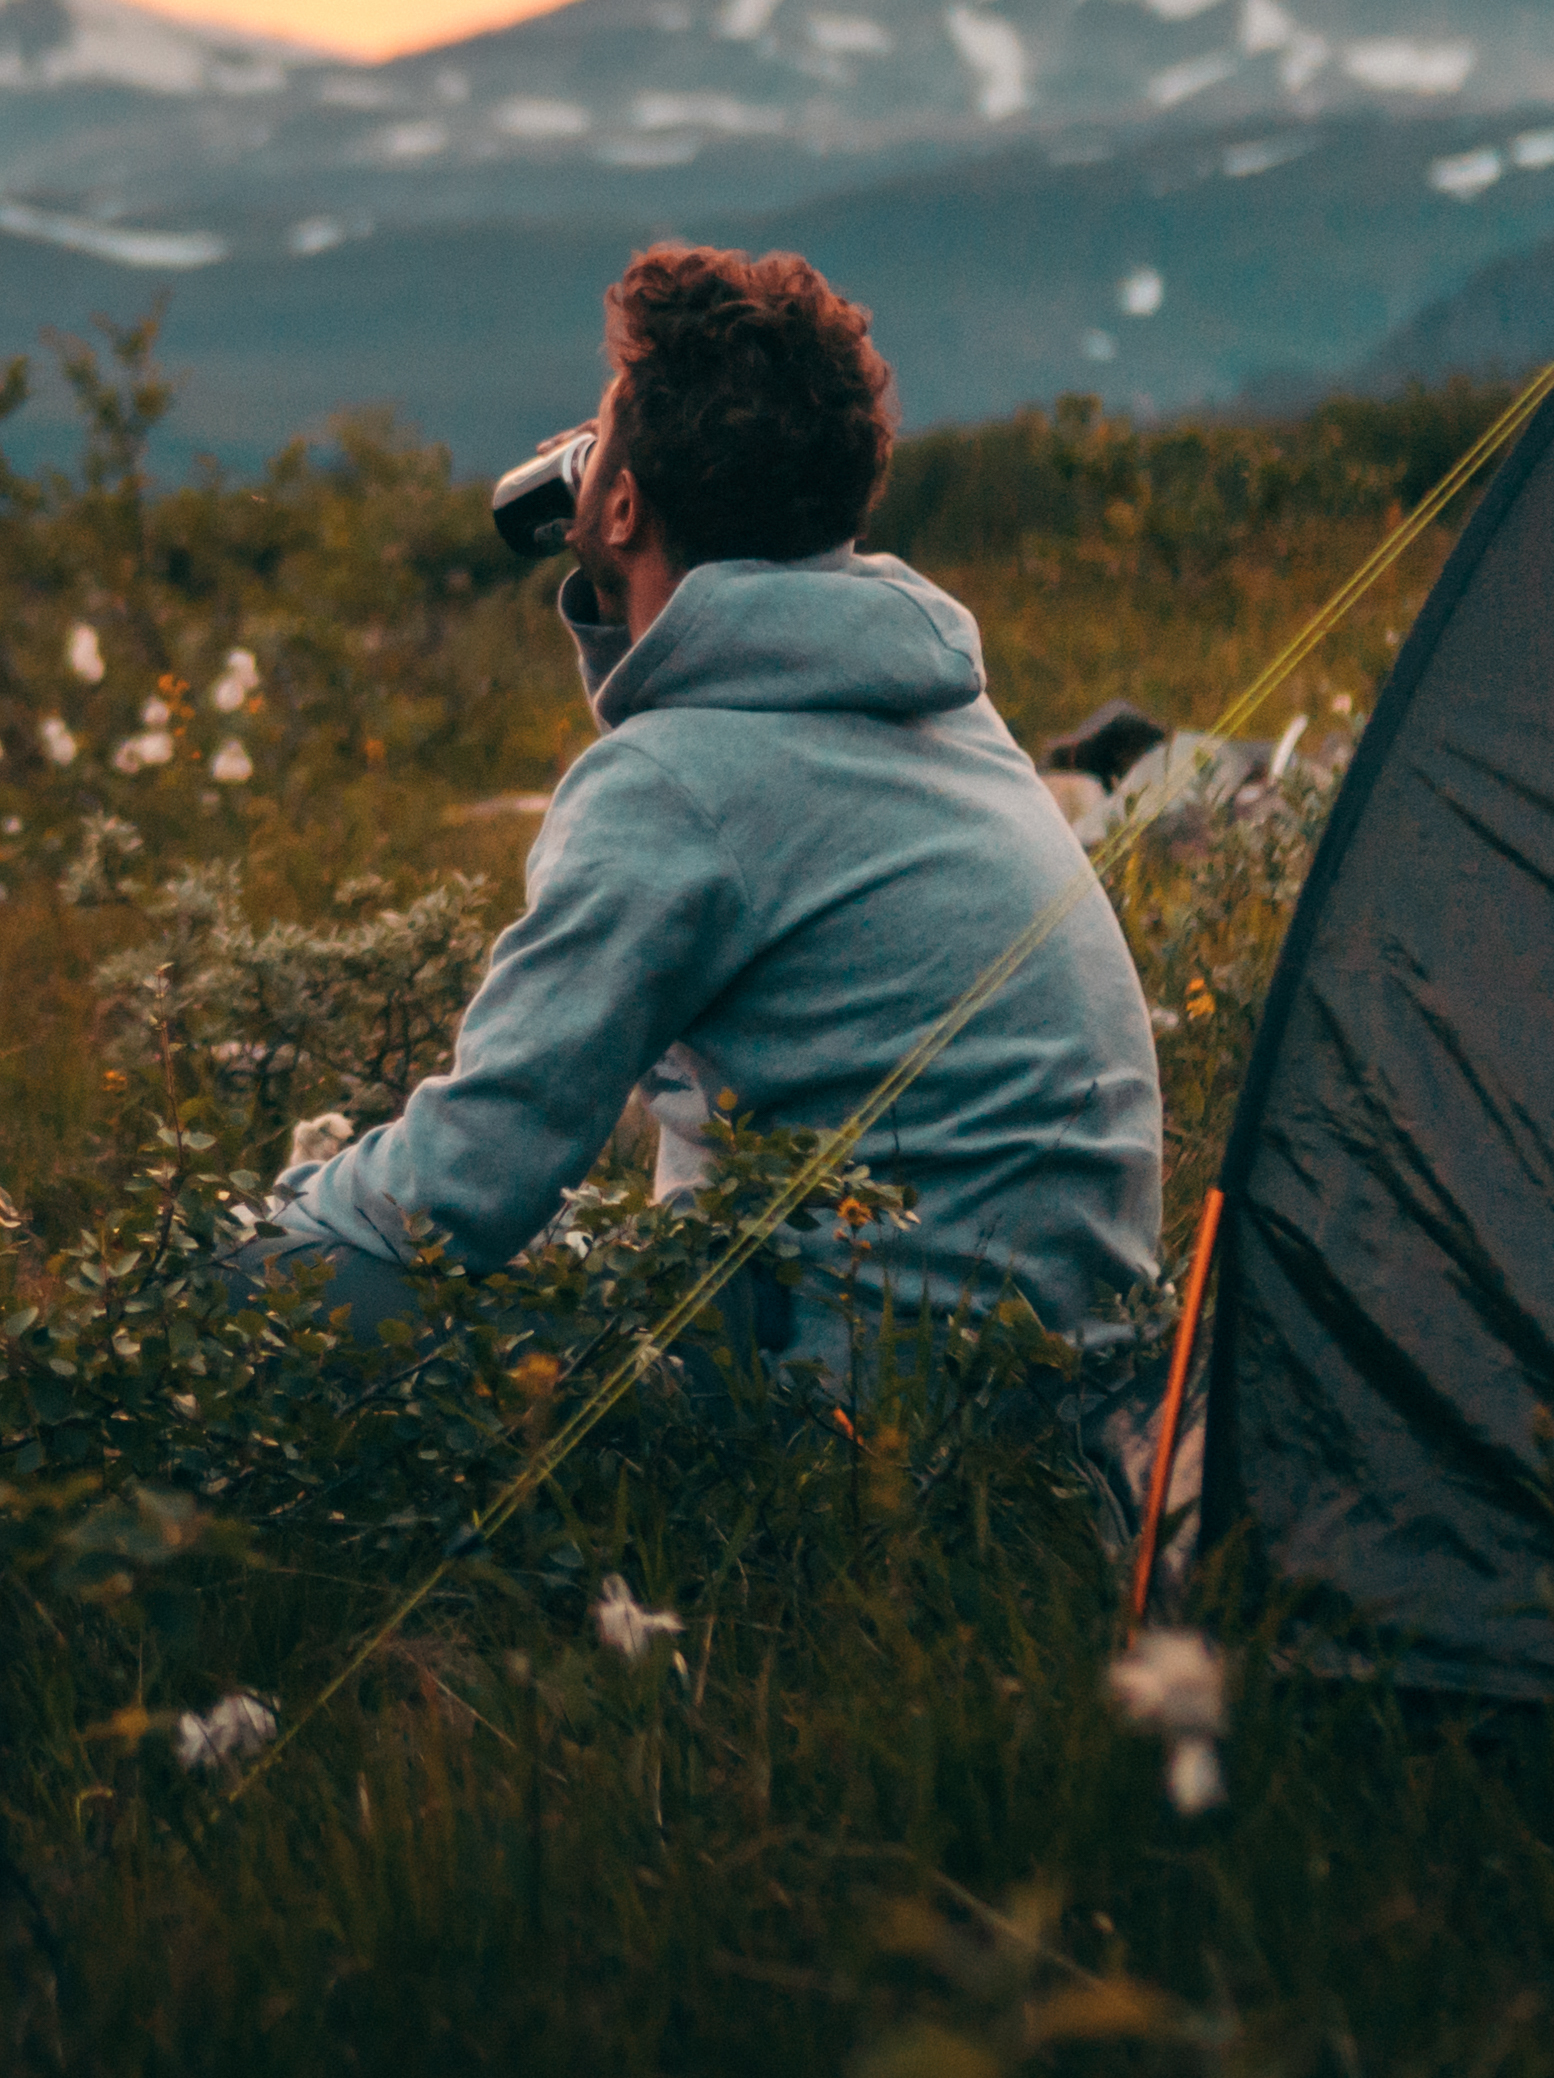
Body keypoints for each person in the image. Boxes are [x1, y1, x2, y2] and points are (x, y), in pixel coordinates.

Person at [253, 245, 1166, 1386]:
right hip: (1050, 1377)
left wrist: (276, 1221)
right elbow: (710, 751)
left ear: (622, 498)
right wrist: (619, 566)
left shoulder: (675, 784)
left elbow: (464, 1184)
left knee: (267, 1290)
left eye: (603, 447)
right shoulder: (929, 696)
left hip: (858, 1406)